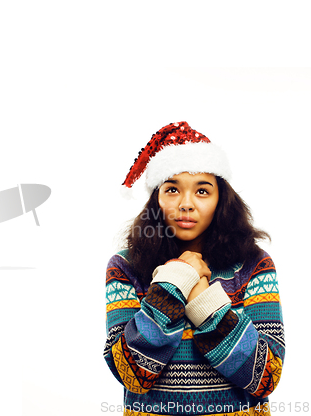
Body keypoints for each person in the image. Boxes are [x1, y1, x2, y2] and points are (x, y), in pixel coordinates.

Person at [104, 121, 284, 416]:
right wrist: (173, 283)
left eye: (202, 191)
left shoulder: (254, 265)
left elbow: (264, 377)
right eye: (172, 189)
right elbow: (131, 374)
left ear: (221, 200)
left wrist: (205, 302)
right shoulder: (126, 267)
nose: (186, 204)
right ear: (156, 199)